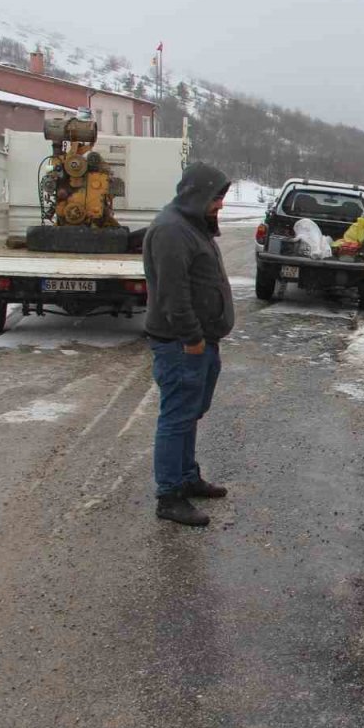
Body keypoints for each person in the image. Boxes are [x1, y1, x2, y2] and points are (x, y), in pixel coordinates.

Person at [142, 163, 235, 527]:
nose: (220, 206)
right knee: (177, 417)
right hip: (182, 345)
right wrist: (192, 338)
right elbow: (173, 294)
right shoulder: (171, 230)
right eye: (216, 198)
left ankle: (186, 476)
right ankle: (169, 496)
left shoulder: (190, 225)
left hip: (200, 343)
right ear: (196, 195)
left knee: (190, 413)